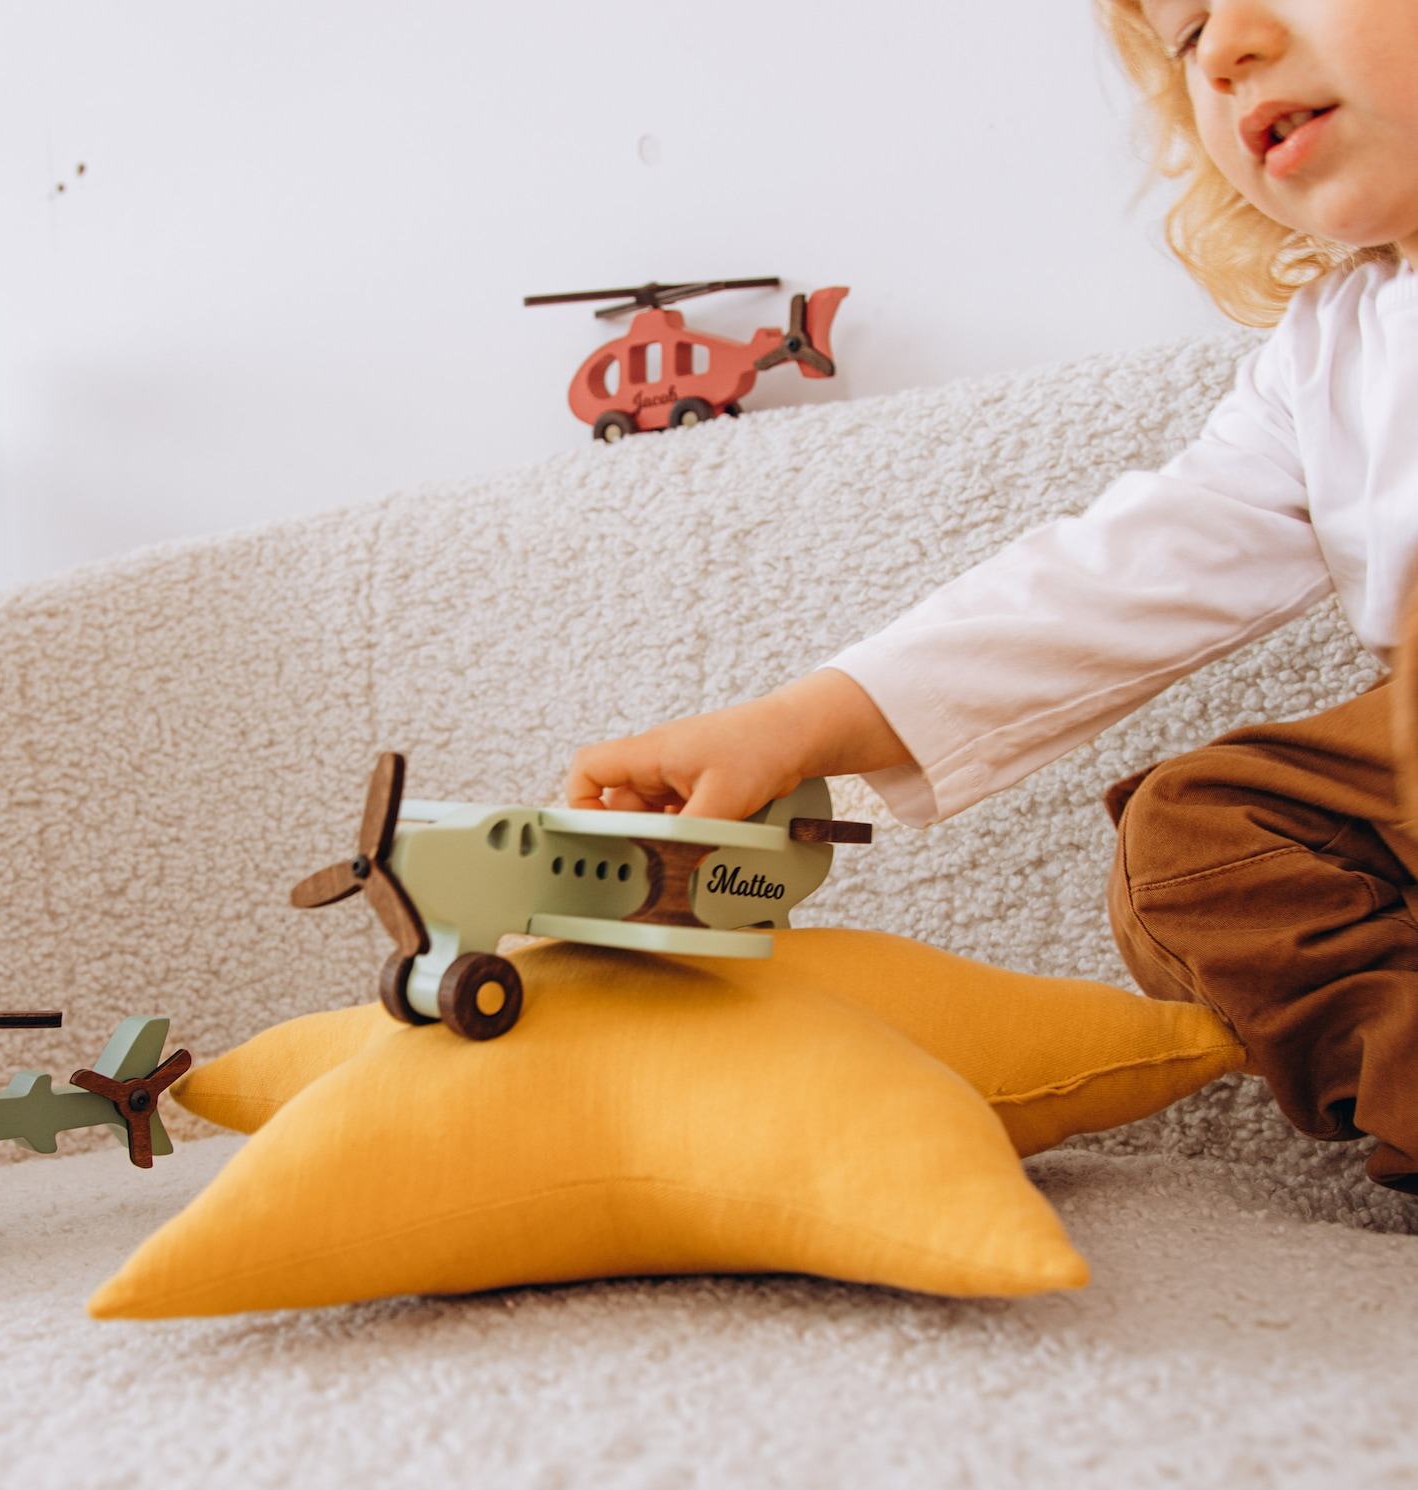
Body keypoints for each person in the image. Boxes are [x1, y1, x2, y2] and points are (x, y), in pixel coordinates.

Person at [563, 0, 1418, 1193]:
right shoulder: (1320, 360)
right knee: (1192, 849)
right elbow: (1110, 578)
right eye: (1186, 38)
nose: (1224, 51)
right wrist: (795, 723)